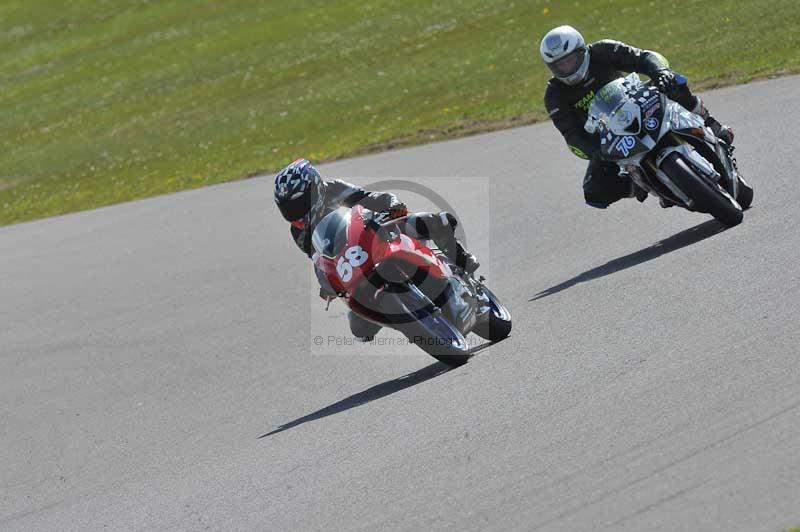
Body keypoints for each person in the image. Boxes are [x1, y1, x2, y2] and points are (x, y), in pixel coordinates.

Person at [274, 158, 478, 340]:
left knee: (435, 221)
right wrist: (327, 283)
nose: (295, 214)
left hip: (377, 234)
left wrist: (393, 207)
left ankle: (460, 259)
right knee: (359, 328)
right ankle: (411, 320)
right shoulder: (298, 232)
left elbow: (373, 198)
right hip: (355, 264)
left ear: (315, 188)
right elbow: (319, 259)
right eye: (288, 209)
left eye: (298, 204)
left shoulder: (335, 189)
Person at [539, 25, 734, 209]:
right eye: (560, 65)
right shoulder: (554, 94)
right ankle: (642, 184)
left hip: (639, 102)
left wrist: (660, 72)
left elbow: (644, 57)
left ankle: (712, 125)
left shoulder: (603, 50)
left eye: (570, 60)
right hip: (608, 136)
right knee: (594, 191)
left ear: (582, 51)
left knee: (674, 82)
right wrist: (594, 152)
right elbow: (571, 135)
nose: (567, 67)